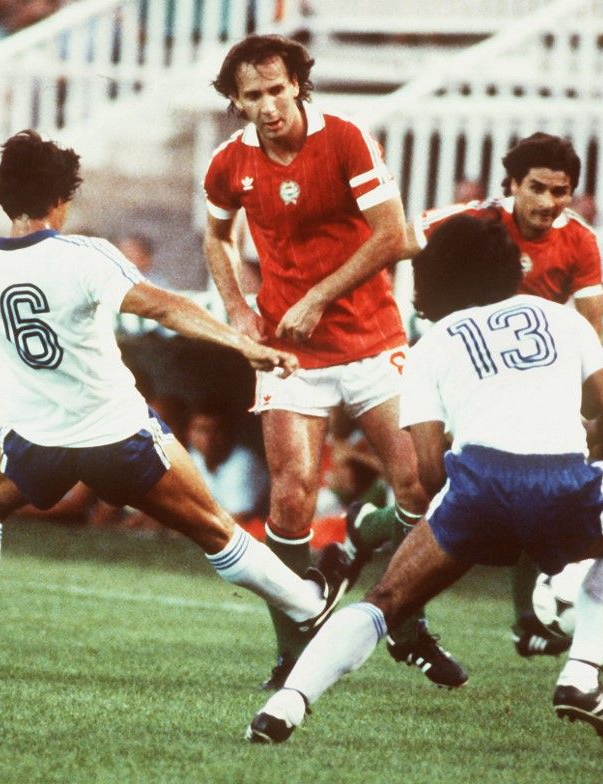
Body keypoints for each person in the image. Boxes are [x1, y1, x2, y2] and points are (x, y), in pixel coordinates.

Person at [0, 129, 349, 679]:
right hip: (117, 435)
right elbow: (161, 307)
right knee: (216, 530)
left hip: (36, 439)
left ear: (5, 199)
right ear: (60, 201)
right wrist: (242, 343)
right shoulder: (86, 255)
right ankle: (308, 605)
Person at [247, 214, 603, 744]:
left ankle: (287, 704)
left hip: (480, 489)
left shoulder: (431, 346)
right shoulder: (561, 317)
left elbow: (430, 471)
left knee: (386, 599)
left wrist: (480, 521)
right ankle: (580, 670)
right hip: (564, 484)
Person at [203, 34, 463, 691]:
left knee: (421, 485)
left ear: (298, 85)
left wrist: (319, 296)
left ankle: (389, 596)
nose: (268, 105)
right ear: (236, 102)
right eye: (252, 95)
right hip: (288, 350)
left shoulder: (345, 139)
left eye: (277, 89)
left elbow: (392, 234)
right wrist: (236, 307)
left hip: (373, 338)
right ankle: (293, 651)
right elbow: (215, 235)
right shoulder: (228, 165)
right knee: (289, 496)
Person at [346, 132, 603, 661]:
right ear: (510, 185)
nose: (549, 203)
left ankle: (527, 619)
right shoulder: (468, 223)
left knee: (528, 479)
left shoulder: (579, 240)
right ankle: (376, 548)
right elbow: (390, 241)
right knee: (425, 485)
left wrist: (584, 404)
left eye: (562, 192)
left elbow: (592, 328)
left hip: (526, 380)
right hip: (461, 367)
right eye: (537, 188)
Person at [186, 399, 268, 522]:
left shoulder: (244, 463)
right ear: (189, 433)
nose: (208, 438)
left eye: (215, 430)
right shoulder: (191, 458)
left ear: (229, 432)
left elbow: (236, 520)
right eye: (201, 430)